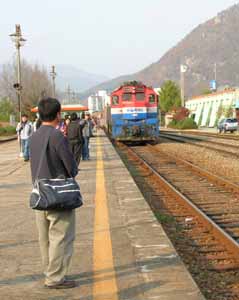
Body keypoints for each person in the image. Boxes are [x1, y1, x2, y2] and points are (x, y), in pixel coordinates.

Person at [29, 97, 78, 289]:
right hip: (58, 195)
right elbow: (70, 167)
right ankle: (55, 278)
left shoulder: (34, 136)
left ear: (40, 114)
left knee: (45, 238)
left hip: (39, 193)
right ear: (58, 114)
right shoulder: (57, 136)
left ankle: (49, 271)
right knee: (61, 236)